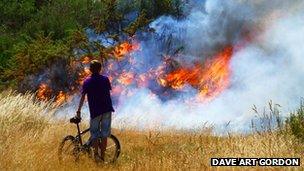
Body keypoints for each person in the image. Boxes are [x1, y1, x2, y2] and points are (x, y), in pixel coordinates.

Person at [75, 60, 114, 161]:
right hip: (107, 109)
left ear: (90, 69)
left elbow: (83, 97)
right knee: (104, 135)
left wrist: (78, 111)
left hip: (95, 111)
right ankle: (102, 157)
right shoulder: (105, 79)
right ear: (100, 69)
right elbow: (108, 92)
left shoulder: (87, 81)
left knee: (95, 135)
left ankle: (96, 157)